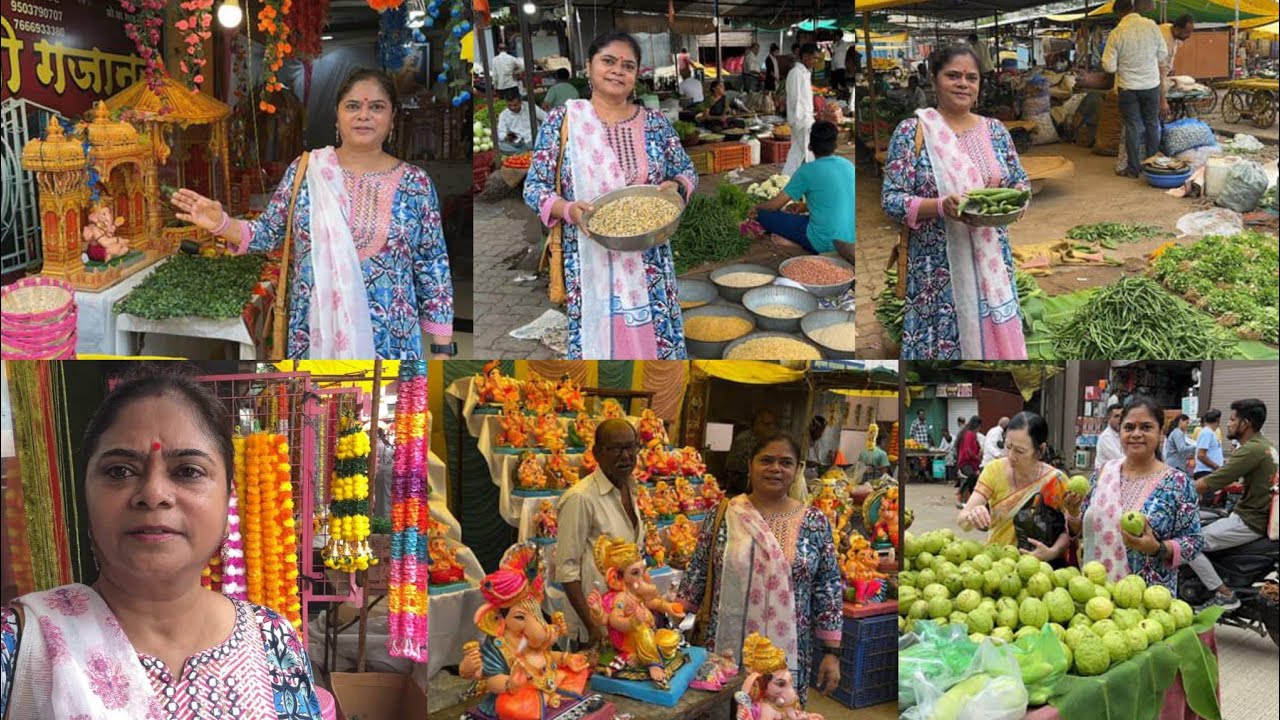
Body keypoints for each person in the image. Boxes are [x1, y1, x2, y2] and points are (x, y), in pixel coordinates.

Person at [0, 366, 322, 718]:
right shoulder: (18, 645)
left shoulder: (272, 639)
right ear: (86, 495)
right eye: (119, 471)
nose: (153, 494)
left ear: (228, 497)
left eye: (188, 471)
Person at [173, 69, 453, 360]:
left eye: (377, 107)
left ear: (393, 117)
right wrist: (220, 223)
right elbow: (267, 234)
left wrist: (442, 349)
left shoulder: (416, 184)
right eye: (353, 106)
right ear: (338, 115)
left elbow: (433, 267)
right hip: (314, 339)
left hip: (392, 343)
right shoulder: (307, 171)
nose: (364, 115)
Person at [524, 32, 697, 360]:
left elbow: (687, 171)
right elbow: (534, 188)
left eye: (628, 65)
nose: (618, 70)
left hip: (650, 260)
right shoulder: (564, 122)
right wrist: (570, 210)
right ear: (588, 66)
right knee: (600, 345)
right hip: (588, 256)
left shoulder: (655, 123)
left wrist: (675, 187)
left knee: (654, 349)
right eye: (608, 61)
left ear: (636, 76)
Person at [881, 45, 1030, 360]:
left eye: (971, 78)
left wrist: (1012, 206)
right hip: (936, 272)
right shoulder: (913, 132)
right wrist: (939, 206)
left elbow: (1019, 183)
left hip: (992, 262)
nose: (963, 83)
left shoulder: (996, 132)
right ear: (934, 79)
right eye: (953, 75)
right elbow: (892, 199)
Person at [677, 434, 843, 705]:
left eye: (785, 462)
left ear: (796, 469)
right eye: (766, 460)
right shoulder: (723, 515)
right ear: (750, 464)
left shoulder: (814, 522)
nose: (775, 468)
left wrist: (832, 653)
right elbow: (696, 574)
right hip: (725, 651)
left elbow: (829, 588)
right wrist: (667, 624)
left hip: (788, 655)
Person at [1064, 396, 1203, 592]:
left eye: (1146, 427)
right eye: (1129, 427)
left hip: (1149, 601)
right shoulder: (1103, 473)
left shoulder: (1178, 483)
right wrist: (1073, 512)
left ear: (1161, 432)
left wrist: (1158, 548)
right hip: (1096, 597)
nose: (1136, 434)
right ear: (1119, 432)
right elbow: (1083, 530)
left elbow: (1194, 541)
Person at [554, 419, 646, 646]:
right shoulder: (581, 498)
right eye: (615, 449)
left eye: (630, 447)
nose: (625, 456)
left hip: (624, 615)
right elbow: (566, 568)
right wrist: (592, 625)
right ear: (596, 453)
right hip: (594, 622)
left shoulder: (630, 487)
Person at [1191, 399, 1278, 610]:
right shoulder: (1265, 446)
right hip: (1256, 516)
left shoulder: (1252, 450)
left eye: (1232, 419)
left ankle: (1224, 595)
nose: (1227, 424)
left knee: (1188, 544)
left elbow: (1211, 481)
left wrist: (1172, 492)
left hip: (1250, 520)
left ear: (1245, 423)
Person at [958, 412, 1070, 562]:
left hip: (1038, 571)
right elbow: (962, 520)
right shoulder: (994, 471)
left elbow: (1069, 529)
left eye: (1020, 451)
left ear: (1040, 450)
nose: (1011, 456)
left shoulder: (1056, 481)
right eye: (1008, 446)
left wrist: (1053, 552)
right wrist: (972, 516)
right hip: (995, 565)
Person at [752, 122, 855, 255]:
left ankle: (799, 243)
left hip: (824, 243)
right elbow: (840, 199)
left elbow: (774, 206)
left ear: (810, 146)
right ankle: (798, 241)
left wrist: (756, 207)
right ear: (835, 145)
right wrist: (804, 207)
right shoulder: (848, 165)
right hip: (850, 241)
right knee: (817, 221)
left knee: (763, 215)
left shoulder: (807, 171)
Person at [1102, 0, 1167, 178]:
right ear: (1132, 8)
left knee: (1133, 126)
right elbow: (1163, 54)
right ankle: (1152, 165)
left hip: (1128, 87)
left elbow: (1109, 67)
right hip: (1151, 85)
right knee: (1152, 124)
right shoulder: (1152, 26)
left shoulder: (1117, 33)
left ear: (1119, 13)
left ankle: (1133, 169)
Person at [783, 43, 819, 176]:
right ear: (805, 56)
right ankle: (787, 180)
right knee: (802, 153)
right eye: (814, 58)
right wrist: (800, 122)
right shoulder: (796, 73)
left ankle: (788, 180)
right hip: (801, 121)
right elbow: (795, 99)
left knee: (799, 153)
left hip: (806, 120)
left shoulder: (804, 73)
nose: (815, 61)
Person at [726, 408, 780, 496]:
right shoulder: (743, 440)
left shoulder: (772, 440)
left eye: (773, 424)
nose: (771, 428)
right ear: (757, 424)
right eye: (767, 424)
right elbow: (735, 469)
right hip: (741, 485)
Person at [1159, 14, 1195, 118]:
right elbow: (1158, 73)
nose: (1189, 35)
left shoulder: (1171, 31)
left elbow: (1171, 55)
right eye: (1187, 32)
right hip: (1152, 81)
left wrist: (1171, 67)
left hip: (1162, 76)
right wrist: (1163, 100)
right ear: (1178, 29)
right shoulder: (1163, 40)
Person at [956, 416, 983, 506]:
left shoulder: (972, 435)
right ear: (977, 426)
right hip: (966, 463)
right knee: (973, 477)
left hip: (972, 463)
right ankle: (972, 497)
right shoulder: (969, 434)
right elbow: (969, 451)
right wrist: (977, 458)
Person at [1194, 409, 1224, 480]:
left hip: (1209, 471)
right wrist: (1216, 466)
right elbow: (1201, 455)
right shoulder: (1207, 433)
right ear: (1218, 420)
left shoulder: (1211, 433)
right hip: (1205, 472)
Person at [1094, 403, 1125, 471]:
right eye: (1116, 416)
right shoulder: (1105, 437)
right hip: (1104, 476)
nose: (1120, 419)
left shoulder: (1124, 433)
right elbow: (1119, 459)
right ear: (1109, 418)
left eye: (1122, 416)